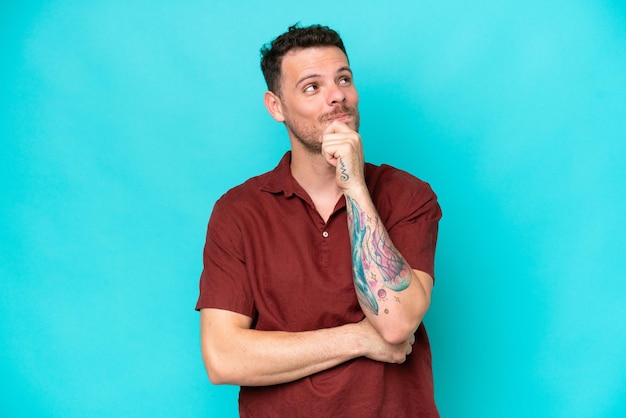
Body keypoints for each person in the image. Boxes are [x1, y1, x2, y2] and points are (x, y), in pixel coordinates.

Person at [196, 23, 442, 417]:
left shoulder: (407, 196)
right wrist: (359, 339)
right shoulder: (238, 212)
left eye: (343, 79)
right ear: (276, 107)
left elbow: (395, 325)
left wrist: (355, 187)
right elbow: (223, 357)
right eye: (312, 87)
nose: (336, 96)